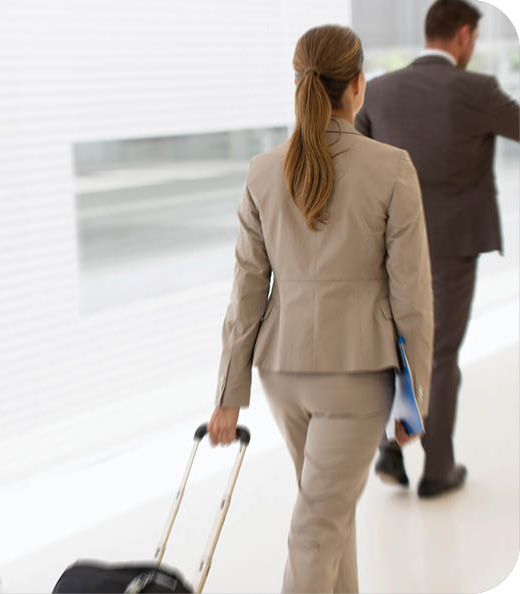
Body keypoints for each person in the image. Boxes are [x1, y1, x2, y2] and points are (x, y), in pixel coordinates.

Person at [207, 25, 433, 593]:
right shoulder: (392, 169)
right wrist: (414, 399)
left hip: (282, 373)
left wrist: (230, 394)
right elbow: (412, 298)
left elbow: (246, 291)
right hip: (356, 376)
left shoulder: (263, 171)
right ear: (358, 84)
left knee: (327, 515)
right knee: (319, 527)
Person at [355, 0, 520, 498]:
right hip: (453, 245)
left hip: (389, 247)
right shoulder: (477, 90)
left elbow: (353, 165)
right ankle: (438, 469)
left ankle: (390, 447)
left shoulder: (378, 92)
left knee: (395, 346)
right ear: (463, 35)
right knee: (441, 353)